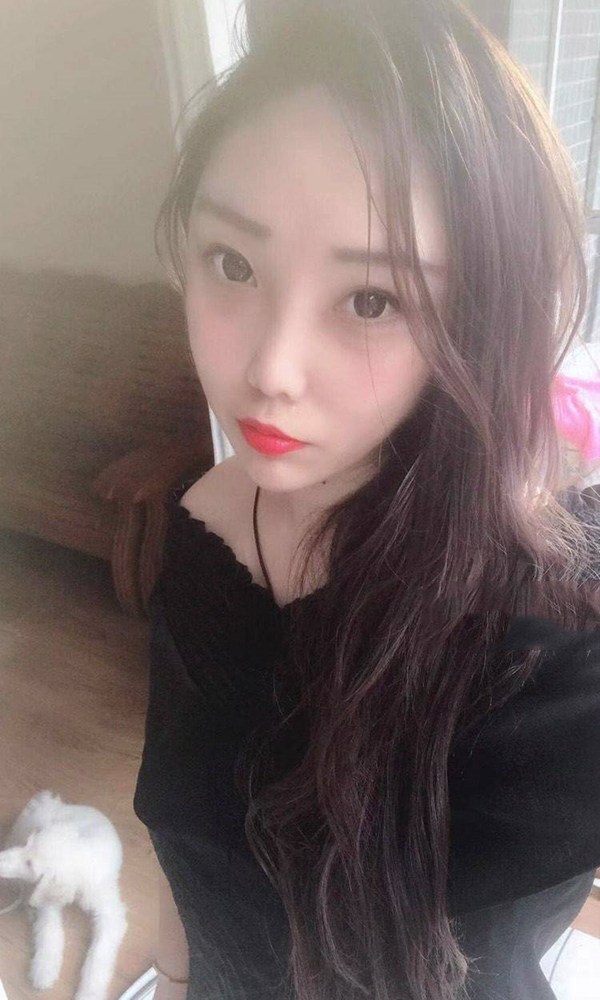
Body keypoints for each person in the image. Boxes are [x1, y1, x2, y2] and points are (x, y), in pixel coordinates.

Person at [132, 1, 600, 997]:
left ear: (478, 319)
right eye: (233, 264)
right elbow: (186, 856)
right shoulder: (201, 535)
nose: (270, 368)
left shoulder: (561, 646)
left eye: (373, 299)